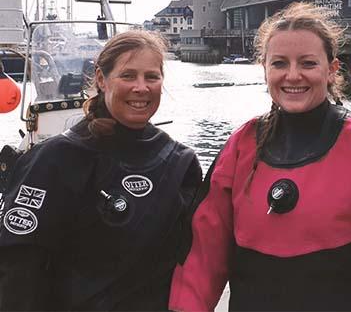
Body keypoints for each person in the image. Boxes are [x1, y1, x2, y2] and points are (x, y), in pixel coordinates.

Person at [170, 2, 351, 311]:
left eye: (307, 63)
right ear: (263, 68)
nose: (293, 76)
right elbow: (203, 257)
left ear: (331, 69)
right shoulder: (241, 146)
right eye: (279, 64)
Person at [0, 30, 202, 310]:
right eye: (128, 76)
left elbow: (194, 261)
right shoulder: (54, 159)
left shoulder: (180, 162)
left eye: (151, 77)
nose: (141, 87)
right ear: (101, 79)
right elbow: (17, 268)